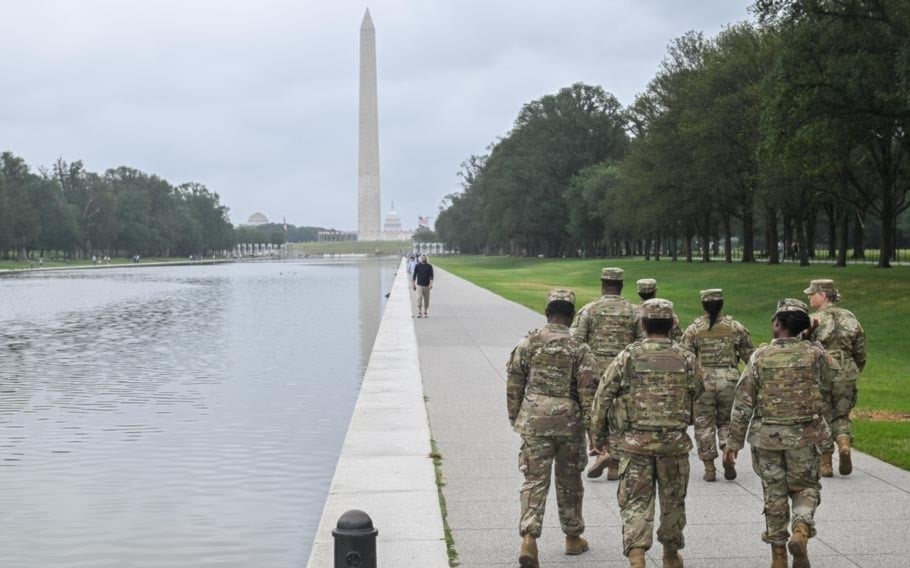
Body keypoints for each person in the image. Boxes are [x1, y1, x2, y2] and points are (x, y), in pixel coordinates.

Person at [591, 299, 704, 568]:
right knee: (673, 501)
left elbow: (602, 396)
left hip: (635, 444)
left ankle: (637, 556)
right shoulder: (686, 357)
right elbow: (698, 389)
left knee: (635, 502)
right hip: (673, 445)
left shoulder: (628, 356)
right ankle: (669, 555)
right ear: (671, 324)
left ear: (642, 324)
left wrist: (598, 436)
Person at [724, 299, 836, 568]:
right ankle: (801, 530)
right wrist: (813, 343)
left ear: (777, 324)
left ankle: (778, 558)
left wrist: (733, 442)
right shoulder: (814, 354)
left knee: (773, 495)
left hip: (768, 439)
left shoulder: (760, 356)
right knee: (805, 488)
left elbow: (743, 402)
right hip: (805, 436)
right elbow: (834, 375)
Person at [507, 289, 599, 567]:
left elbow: (514, 383)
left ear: (547, 313)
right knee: (569, 481)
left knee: (534, 480)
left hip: (534, 420)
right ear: (571, 317)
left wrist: (516, 418)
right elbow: (588, 392)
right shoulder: (579, 348)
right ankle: (572, 538)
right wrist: (594, 432)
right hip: (569, 423)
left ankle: (529, 540)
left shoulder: (529, 342)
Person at [570, 267, 641, 480]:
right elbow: (641, 343)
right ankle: (614, 462)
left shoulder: (589, 310)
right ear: (621, 286)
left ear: (603, 285)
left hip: (595, 370)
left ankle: (602, 451)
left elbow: (577, 341)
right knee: (621, 415)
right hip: (624, 370)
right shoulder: (634, 311)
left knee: (597, 413)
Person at [681, 289, 754, 482]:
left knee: (703, 424)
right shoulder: (735, 327)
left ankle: (709, 468)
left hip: (703, 380)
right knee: (726, 421)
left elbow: (685, 359)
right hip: (729, 380)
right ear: (721, 305)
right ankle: (726, 450)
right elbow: (750, 357)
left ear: (703, 305)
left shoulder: (693, 329)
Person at [804, 279, 866, 477]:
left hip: (822, 371)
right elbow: (860, 351)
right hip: (846, 372)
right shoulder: (851, 318)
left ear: (823, 295)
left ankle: (825, 463)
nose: (809, 297)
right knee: (842, 414)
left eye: (812, 293)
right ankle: (844, 444)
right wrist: (853, 369)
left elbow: (803, 348)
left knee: (820, 416)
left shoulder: (812, 320)